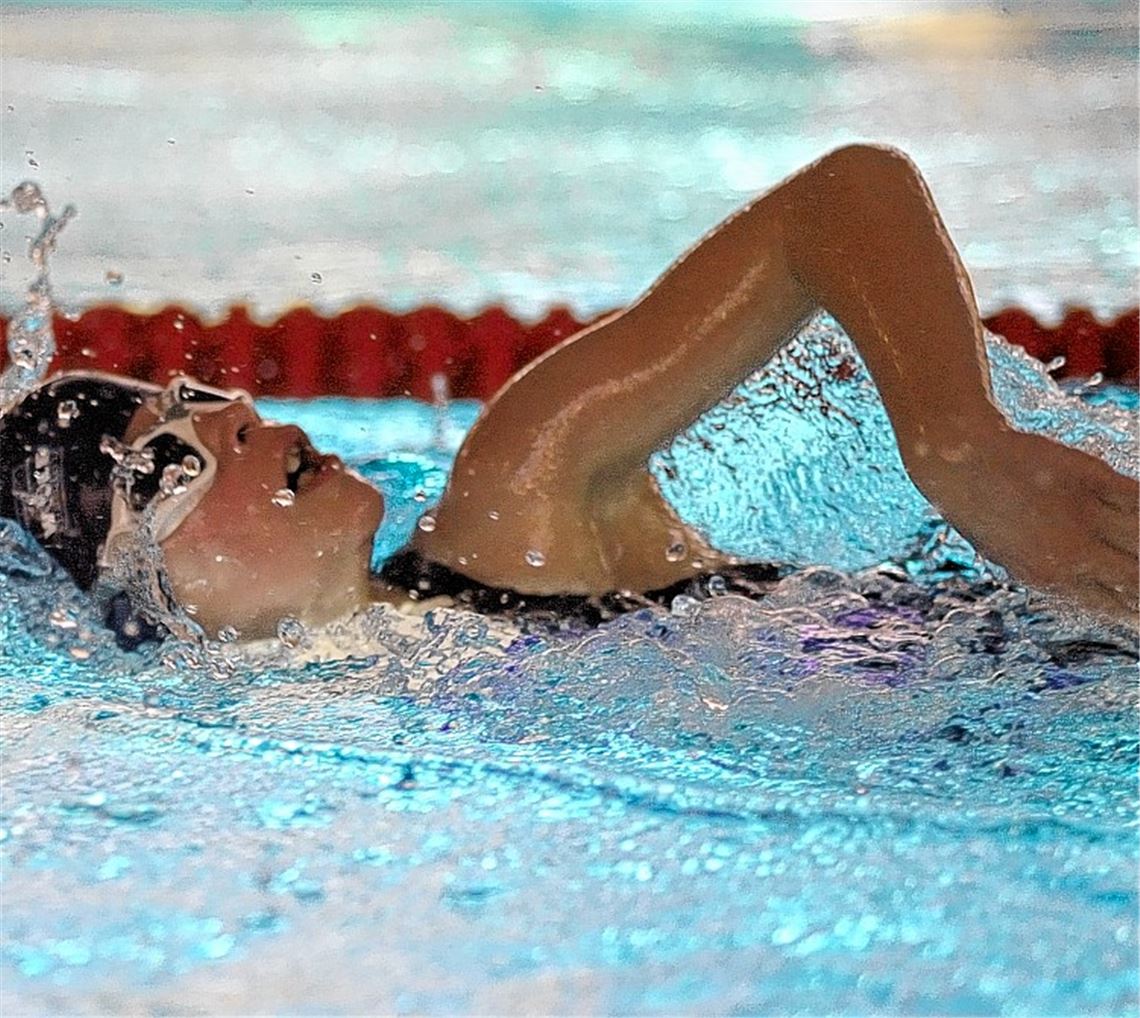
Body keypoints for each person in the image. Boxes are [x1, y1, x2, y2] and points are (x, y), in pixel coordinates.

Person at [2, 144, 1137, 643]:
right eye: (174, 454)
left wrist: (961, 448)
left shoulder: (514, 505)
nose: (235, 414)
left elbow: (839, 202)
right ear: (134, 599)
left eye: (200, 393)